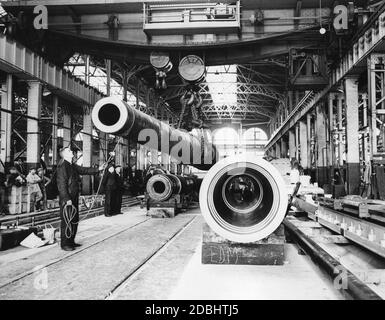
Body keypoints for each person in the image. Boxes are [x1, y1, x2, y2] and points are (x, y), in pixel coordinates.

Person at [56, 147, 103, 251]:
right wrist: (66, 198)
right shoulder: (62, 166)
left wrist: (97, 169)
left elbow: (84, 170)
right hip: (68, 198)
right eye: (69, 151)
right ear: (64, 154)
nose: (71, 151)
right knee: (67, 220)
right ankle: (65, 244)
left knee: (74, 219)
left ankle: (71, 241)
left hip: (74, 197)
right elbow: (61, 184)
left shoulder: (71, 165)